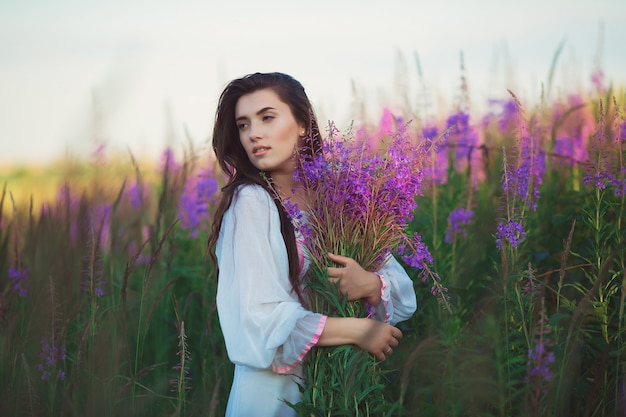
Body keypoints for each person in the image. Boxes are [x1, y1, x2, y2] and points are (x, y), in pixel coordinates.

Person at [207, 72, 417, 416]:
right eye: (243, 125)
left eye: (267, 117)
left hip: (341, 388)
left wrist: (371, 285)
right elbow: (258, 321)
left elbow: (403, 295)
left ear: (302, 122)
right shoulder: (251, 202)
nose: (254, 133)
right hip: (275, 396)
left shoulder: (338, 195)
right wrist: (358, 329)